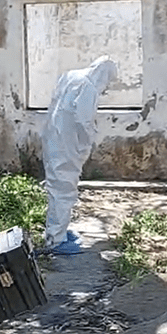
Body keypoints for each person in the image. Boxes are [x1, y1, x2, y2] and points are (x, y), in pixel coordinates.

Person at [41, 56, 118, 255]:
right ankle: (56, 241)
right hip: (67, 144)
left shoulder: (71, 76)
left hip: (52, 137)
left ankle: (56, 232)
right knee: (64, 191)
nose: (106, 88)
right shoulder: (89, 88)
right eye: (108, 82)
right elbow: (84, 122)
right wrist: (87, 145)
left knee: (56, 187)